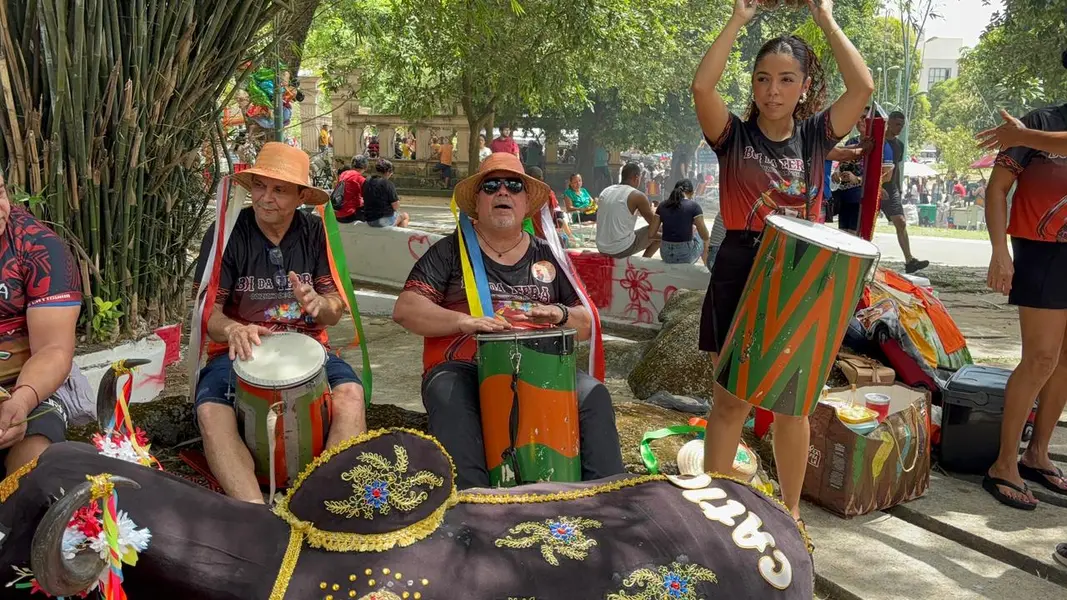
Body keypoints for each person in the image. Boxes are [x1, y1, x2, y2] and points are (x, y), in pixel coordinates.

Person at [691, 0, 874, 521]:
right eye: (763, 79)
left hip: (802, 271)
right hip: (739, 264)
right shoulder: (732, 137)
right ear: (752, 84)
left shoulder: (816, 136)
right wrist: (737, 20)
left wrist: (826, 19)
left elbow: (861, 89)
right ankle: (715, 511)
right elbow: (703, 88)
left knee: (793, 406)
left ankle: (791, 515)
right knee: (731, 403)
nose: (773, 91)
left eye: (786, 80)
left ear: (802, 87)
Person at [391, 152, 625, 489]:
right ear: (477, 202)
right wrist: (464, 322)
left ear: (525, 201)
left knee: (593, 396)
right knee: (447, 392)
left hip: (542, 367)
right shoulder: (449, 251)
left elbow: (587, 322)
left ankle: (603, 501)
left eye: (514, 186)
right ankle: (474, 506)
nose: (503, 192)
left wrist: (560, 314)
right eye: (491, 186)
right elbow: (406, 309)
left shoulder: (548, 254)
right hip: (465, 367)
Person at [192, 142, 366, 503]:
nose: (265, 197)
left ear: (302, 196)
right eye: (259, 186)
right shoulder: (226, 232)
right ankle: (255, 512)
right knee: (210, 410)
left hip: (309, 347)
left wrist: (320, 304)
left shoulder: (316, 233)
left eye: (280, 189)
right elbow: (207, 314)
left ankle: (319, 503)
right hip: (237, 350)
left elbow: (336, 309)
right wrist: (234, 329)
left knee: (351, 394)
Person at [971, 102, 1067, 510]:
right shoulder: (1041, 121)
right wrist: (999, 251)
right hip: (1043, 251)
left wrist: (1023, 137)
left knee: (1066, 361)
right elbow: (997, 188)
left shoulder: (1028, 132)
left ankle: (1037, 454)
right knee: (1042, 359)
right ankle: (1004, 463)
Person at [0, 172, 82, 477]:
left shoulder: (39, 247)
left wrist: (22, 400)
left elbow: (54, 348)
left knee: (35, 471)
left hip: (26, 387)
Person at [882, 111, 929, 273]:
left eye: (902, 125)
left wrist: (898, 188)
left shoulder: (899, 146)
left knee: (900, 221)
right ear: (888, 123)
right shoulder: (878, 142)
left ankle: (909, 261)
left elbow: (896, 167)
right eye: (896, 124)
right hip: (874, 186)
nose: (899, 128)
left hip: (891, 187)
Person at [833, 112, 895, 235]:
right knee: (842, 235)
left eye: (865, 118)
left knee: (854, 237)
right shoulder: (851, 141)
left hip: (862, 199)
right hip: (845, 197)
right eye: (859, 117)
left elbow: (886, 176)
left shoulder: (883, 146)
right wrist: (837, 173)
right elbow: (842, 162)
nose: (861, 121)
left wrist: (858, 179)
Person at [595, 162, 661, 259]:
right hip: (620, 249)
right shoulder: (637, 196)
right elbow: (654, 224)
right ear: (636, 177)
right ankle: (644, 264)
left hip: (601, 247)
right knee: (661, 230)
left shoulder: (606, 191)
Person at [653, 179, 711, 266]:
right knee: (703, 238)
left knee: (694, 231)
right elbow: (705, 236)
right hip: (685, 257)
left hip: (665, 255)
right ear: (691, 192)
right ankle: (707, 269)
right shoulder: (694, 206)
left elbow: (651, 234)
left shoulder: (662, 205)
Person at [362, 159, 410, 228]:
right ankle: (398, 237)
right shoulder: (388, 184)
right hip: (382, 221)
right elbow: (396, 206)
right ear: (388, 172)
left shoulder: (367, 181)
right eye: (391, 172)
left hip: (369, 219)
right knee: (405, 216)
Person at [335, 155, 367, 224]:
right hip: (349, 215)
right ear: (365, 167)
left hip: (338, 213)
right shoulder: (360, 179)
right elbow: (367, 197)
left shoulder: (343, 174)